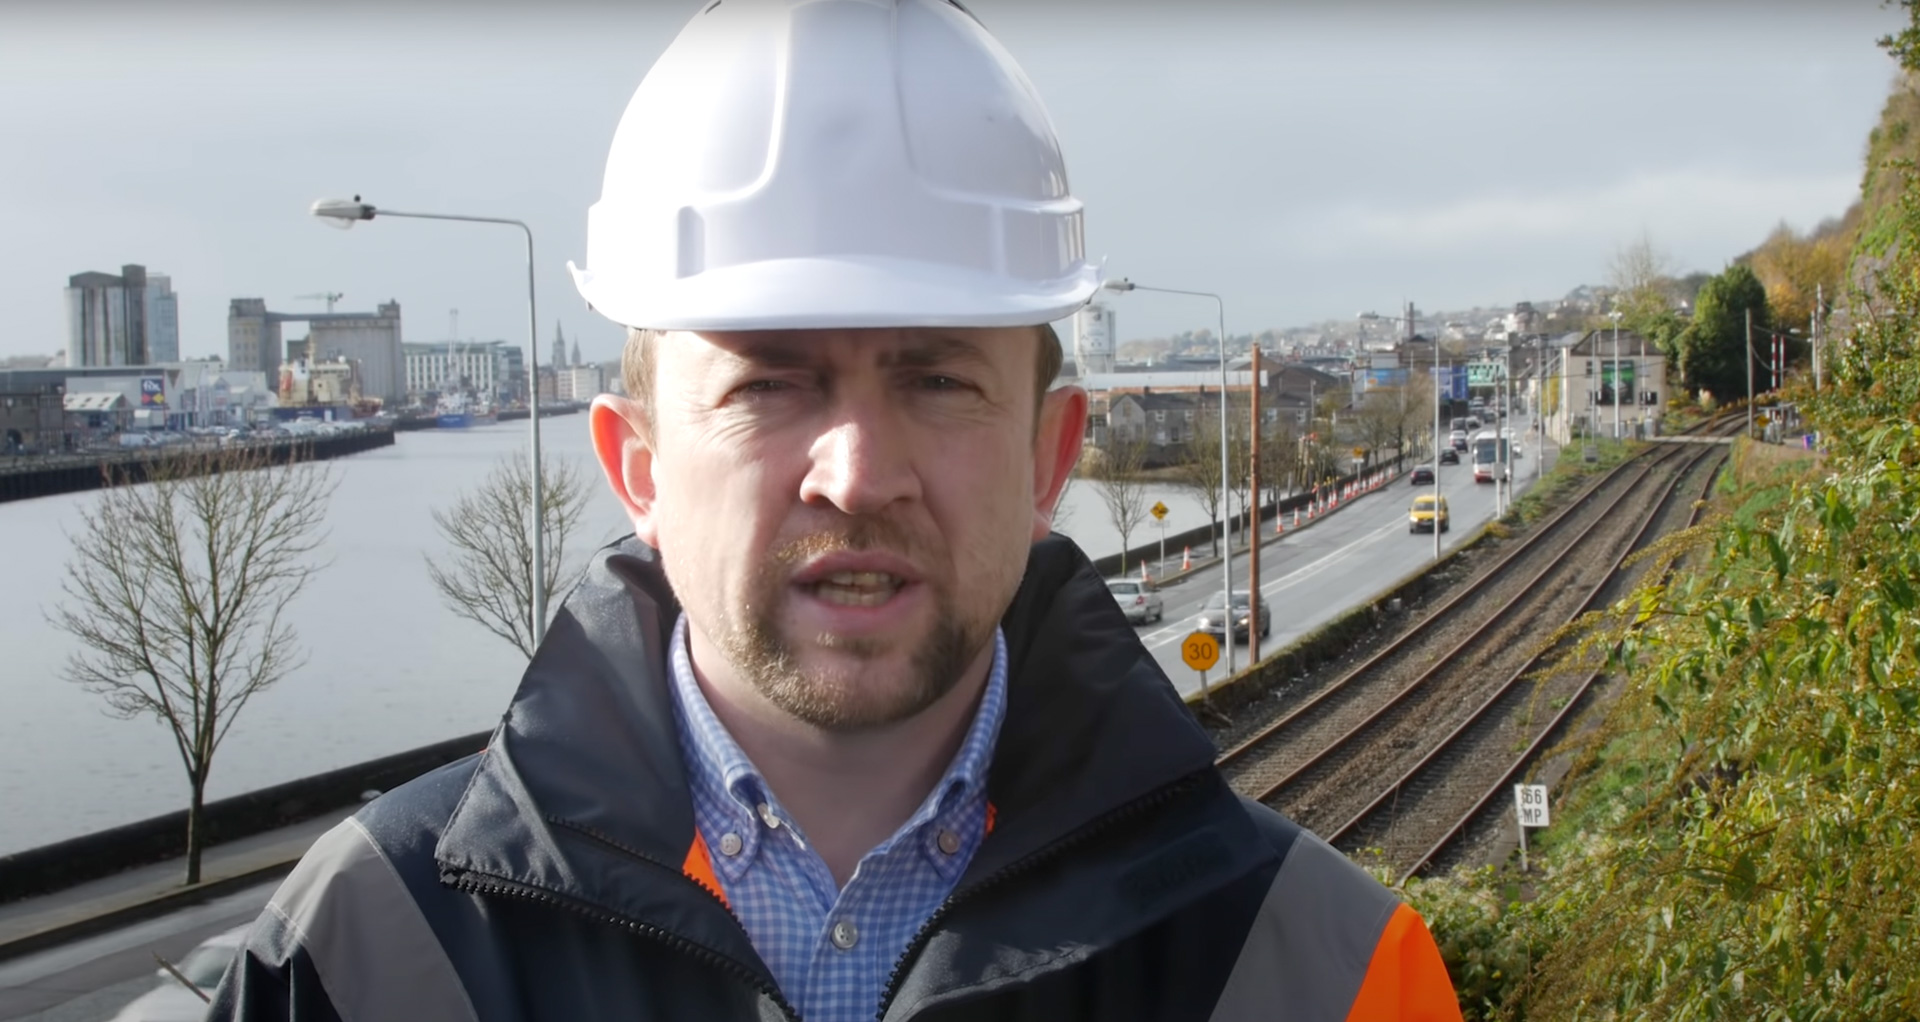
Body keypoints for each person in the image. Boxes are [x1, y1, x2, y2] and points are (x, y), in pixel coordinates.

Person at [210, 1, 1462, 1019]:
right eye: (771, 381)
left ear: (1049, 455)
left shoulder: (1336, 975)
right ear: (637, 465)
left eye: (934, 376)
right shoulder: (363, 955)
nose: (857, 473)